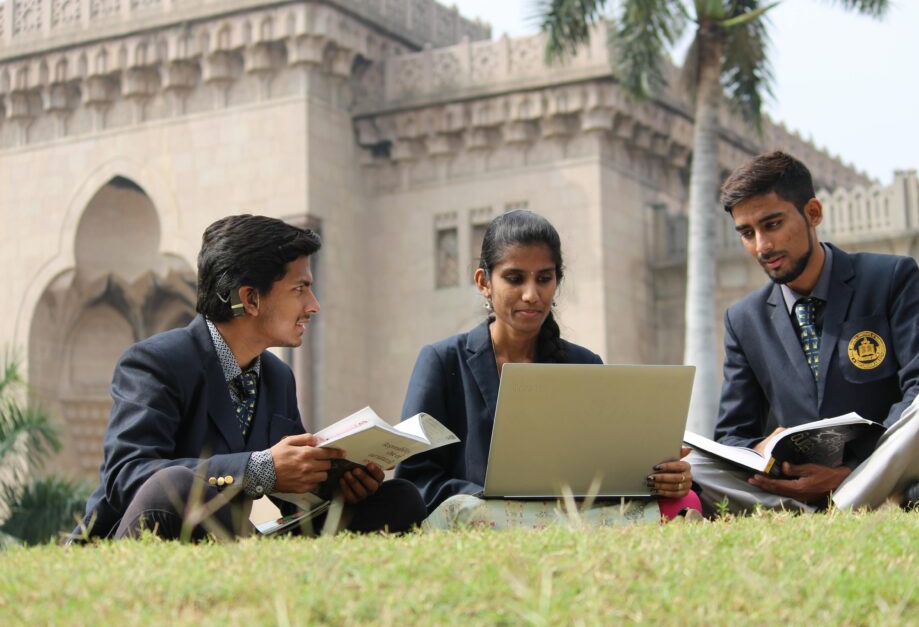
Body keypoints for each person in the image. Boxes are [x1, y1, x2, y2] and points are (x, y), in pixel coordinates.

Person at [73, 214, 425, 541]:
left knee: (398, 498)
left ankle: (288, 580)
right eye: (299, 289)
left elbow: (293, 499)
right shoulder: (154, 362)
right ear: (250, 298)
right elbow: (128, 475)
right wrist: (259, 469)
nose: (313, 305)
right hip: (148, 539)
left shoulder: (277, 377)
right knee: (177, 486)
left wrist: (338, 482)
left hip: (236, 542)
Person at [689, 151, 919, 513]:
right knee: (693, 467)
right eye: (748, 233)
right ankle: (838, 506)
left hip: (899, 478)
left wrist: (852, 468)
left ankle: (844, 503)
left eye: (772, 224)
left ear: (813, 213)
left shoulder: (888, 279)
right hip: (799, 488)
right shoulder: (745, 319)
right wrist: (763, 450)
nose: (762, 246)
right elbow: (732, 435)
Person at [395, 210, 700, 528]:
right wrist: (486, 497)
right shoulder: (442, 361)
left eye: (544, 279)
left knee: (685, 499)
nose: (531, 294)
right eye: (515, 279)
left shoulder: (586, 366)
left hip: (567, 512)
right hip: (478, 514)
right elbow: (417, 479)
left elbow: (607, 475)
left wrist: (665, 478)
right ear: (484, 282)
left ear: (557, 281)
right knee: (465, 510)